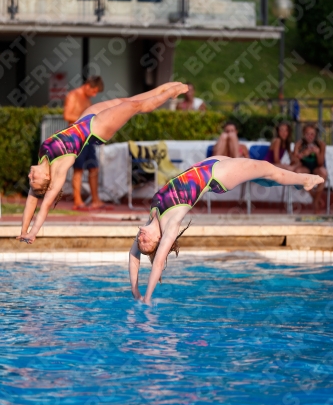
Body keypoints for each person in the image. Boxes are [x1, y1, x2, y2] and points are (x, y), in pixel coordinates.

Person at [129, 156, 324, 304]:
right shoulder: (170, 225)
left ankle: (296, 183)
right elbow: (158, 263)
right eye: (146, 242)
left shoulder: (152, 216)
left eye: (139, 241)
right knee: (266, 169)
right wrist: (147, 297)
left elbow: (133, 254)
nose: (140, 238)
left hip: (207, 165)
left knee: (264, 178)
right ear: (159, 240)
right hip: (218, 175)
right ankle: (304, 179)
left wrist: (135, 290)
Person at [17, 82, 188, 245]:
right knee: (135, 106)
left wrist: (24, 230)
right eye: (34, 179)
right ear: (47, 177)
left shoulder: (42, 159)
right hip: (96, 128)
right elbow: (44, 205)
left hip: (84, 118)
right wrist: (33, 233)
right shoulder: (59, 168)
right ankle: (169, 94)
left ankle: (163, 88)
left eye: (30, 178)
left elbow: (31, 201)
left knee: (127, 100)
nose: (29, 175)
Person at [64, 76, 105, 210]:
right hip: (76, 137)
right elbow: (67, 115)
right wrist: (84, 120)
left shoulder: (88, 100)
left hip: (88, 137)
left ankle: (95, 200)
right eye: (93, 91)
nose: (94, 95)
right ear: (88, 86)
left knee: (94, 167)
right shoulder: (73, 95)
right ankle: (77, 200)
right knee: (78, 168)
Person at [293, 123, 327, 213]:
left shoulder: (321, 144)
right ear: (304, 134)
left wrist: (317, 153)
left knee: (323, 173)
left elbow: (320, 163)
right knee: (297, 172)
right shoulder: (299, 144)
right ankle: (315, 199)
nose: (310, 136)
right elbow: (294, 162)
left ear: (315, 135)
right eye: (307, 134)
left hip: (317, 167)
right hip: (305, 168)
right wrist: (304, 153)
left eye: (312, 134)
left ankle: (315, 201)